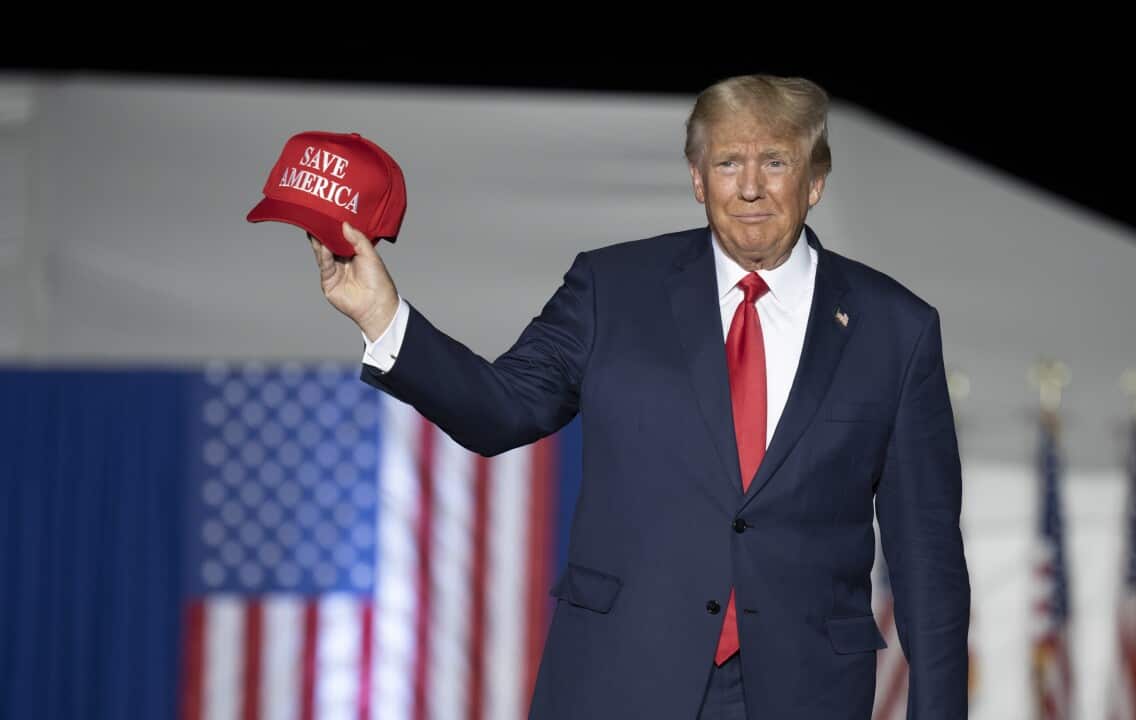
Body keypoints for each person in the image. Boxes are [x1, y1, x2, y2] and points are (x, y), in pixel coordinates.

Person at [305, 74, 970, 719]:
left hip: (806, 690)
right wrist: (383, 316)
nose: (749, 188)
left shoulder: (896, 330)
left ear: (816, 179)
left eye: (775, 162)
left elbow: (928, 560)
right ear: (696, 178)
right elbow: (500, 410)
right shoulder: (612, 288)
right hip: (621, 675)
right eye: (727, 162)